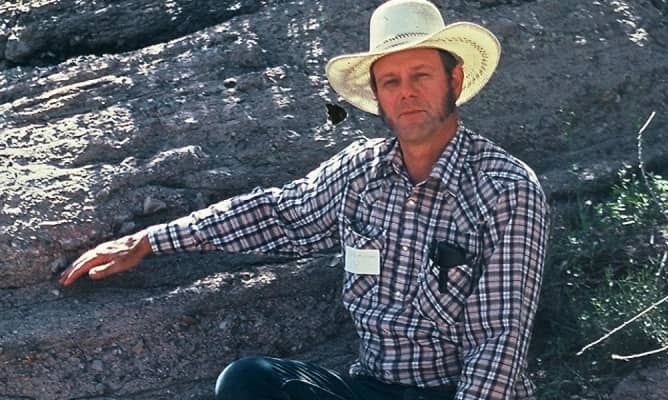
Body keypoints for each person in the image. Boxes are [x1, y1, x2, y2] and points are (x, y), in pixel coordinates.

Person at [59, 0, 549, 398]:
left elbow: (498, 344)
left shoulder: (505, 188)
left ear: (454, 80)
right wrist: (150, 240)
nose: (407, 93)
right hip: (371, 388)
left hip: (458, 391)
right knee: (249, 381)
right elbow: (275, 214)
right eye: (391, 81)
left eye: (421, 75)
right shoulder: (361, 170)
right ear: (378, 95)